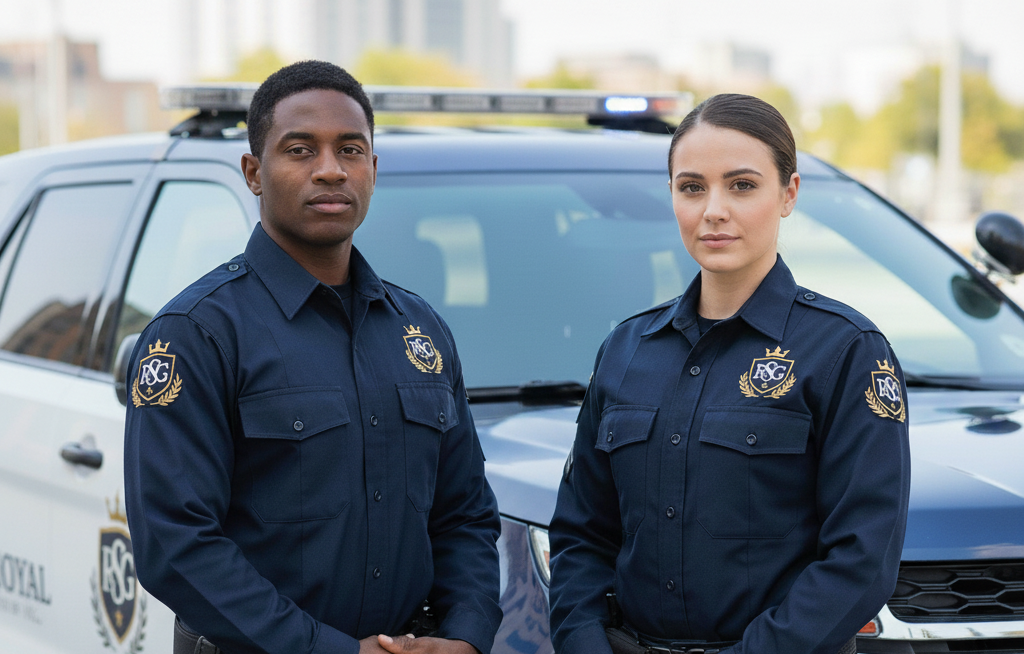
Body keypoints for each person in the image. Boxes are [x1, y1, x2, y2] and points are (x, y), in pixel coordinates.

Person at [123, 60, 501, 654]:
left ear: (372, 169)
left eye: (351, 150)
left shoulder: (420, 331)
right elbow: (176, 545)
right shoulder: (196, 334)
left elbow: (466, 513)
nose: (331, 170)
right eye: (300, 150)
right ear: (254, 171)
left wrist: (467, 635)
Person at [548, 94, 911, 654]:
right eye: (692, 187)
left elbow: (861, 561)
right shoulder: (625, 350)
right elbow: (582, 535)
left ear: (788, 194)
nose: (713, 209)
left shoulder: (846, 351)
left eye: (742, 185)